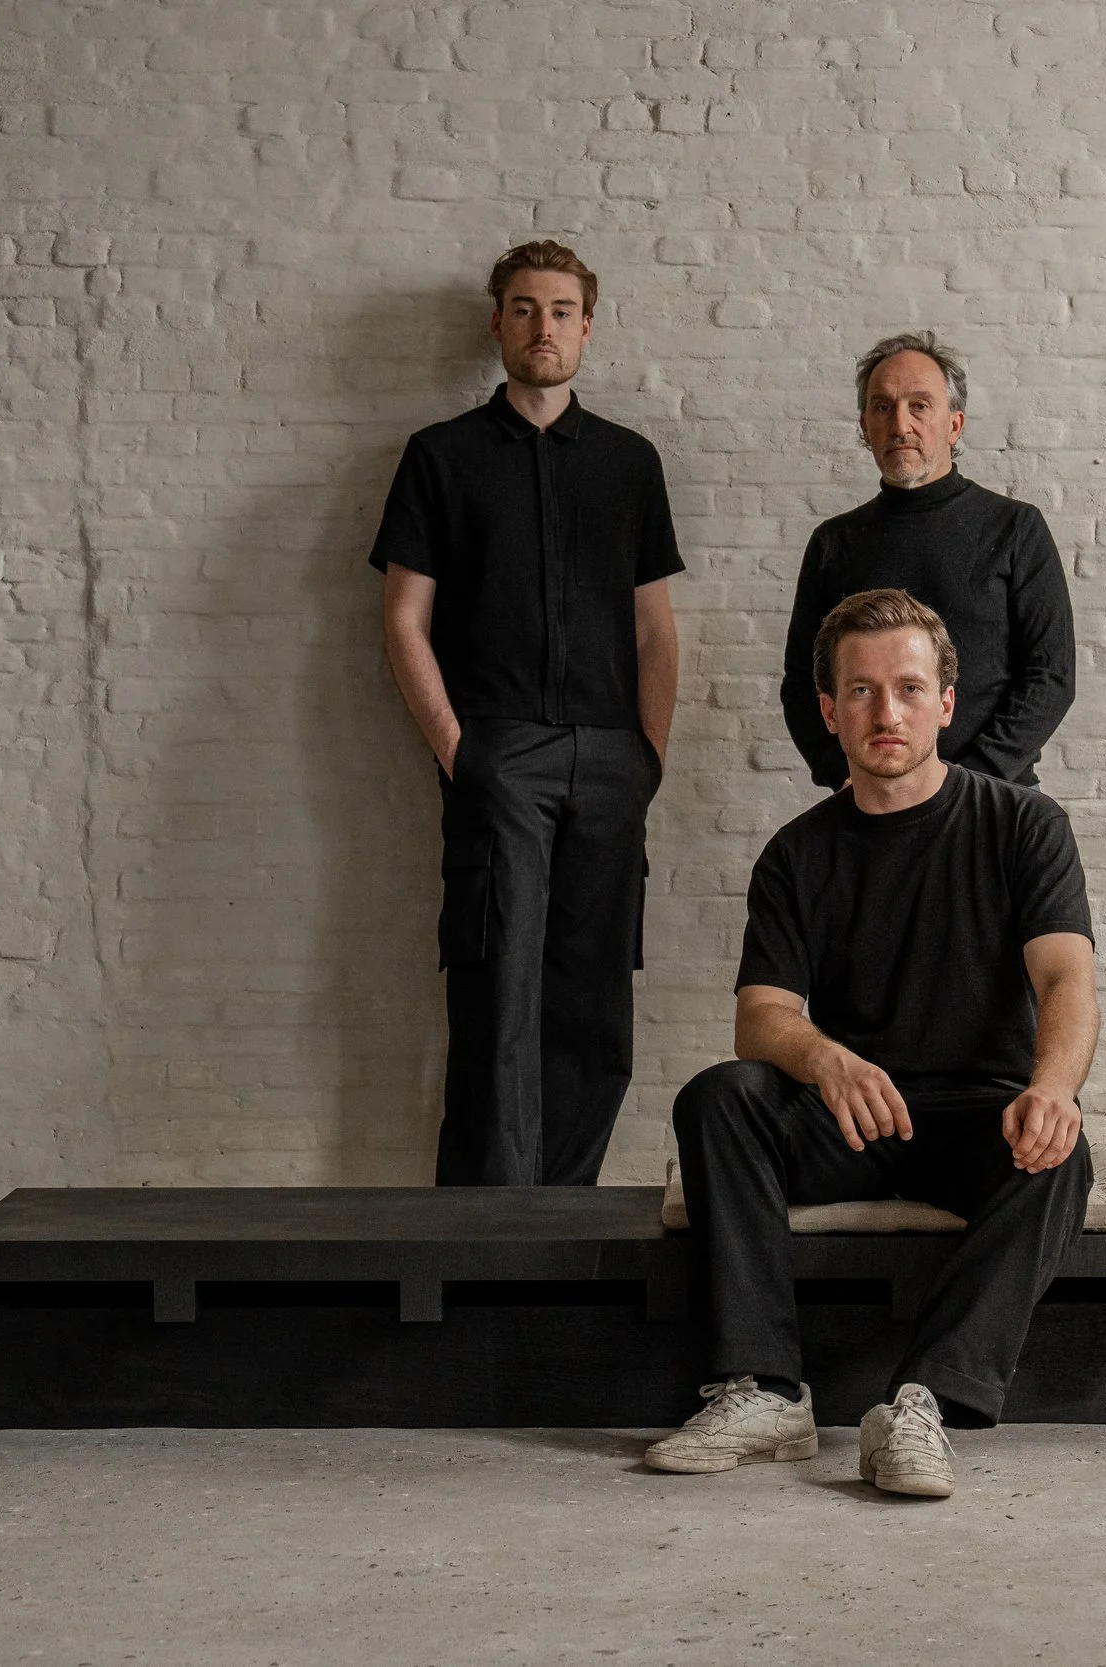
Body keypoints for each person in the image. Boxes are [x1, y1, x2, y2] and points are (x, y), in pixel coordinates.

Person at [646, 588, 1099, 1498]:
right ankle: (768, 1389)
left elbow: (1066, 979)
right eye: (860, 691)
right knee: (720, 1094)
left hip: (978, 1117)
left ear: (945, 700)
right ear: (828, 710)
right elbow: (762, 1014)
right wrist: (826, 1059)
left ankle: (920, 1405)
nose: (884, 712)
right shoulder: (797, 853)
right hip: (849, 1117)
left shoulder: (1022, 825)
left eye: (906, 688)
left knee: (1061, 1152)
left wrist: (1052, 1088)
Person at [370, 241, 683, 1186]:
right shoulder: (441, 458)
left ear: (586, 326)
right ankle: (487, 1235)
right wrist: (463, 753)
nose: (541, 327)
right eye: (522, 308)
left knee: (594, 1002)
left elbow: (656, 631)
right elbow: (401, 618)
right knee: (496, 996)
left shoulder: (630, 462)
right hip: (499, 755)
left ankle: (568, 1217)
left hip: (611, 763)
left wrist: (647, 759)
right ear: (495, 323)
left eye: (559, 310)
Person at [780, 332, 1075, 790]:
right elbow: (803, 683)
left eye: (919, 405)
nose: (900, 424)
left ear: (954, 425)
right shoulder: (834, 543)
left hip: (992, 796)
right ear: (864, 426)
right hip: (873, 804)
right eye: (883, 407)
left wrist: (969, 784)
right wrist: (843, 778)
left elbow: (1050, 676)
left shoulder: (1014, 528)